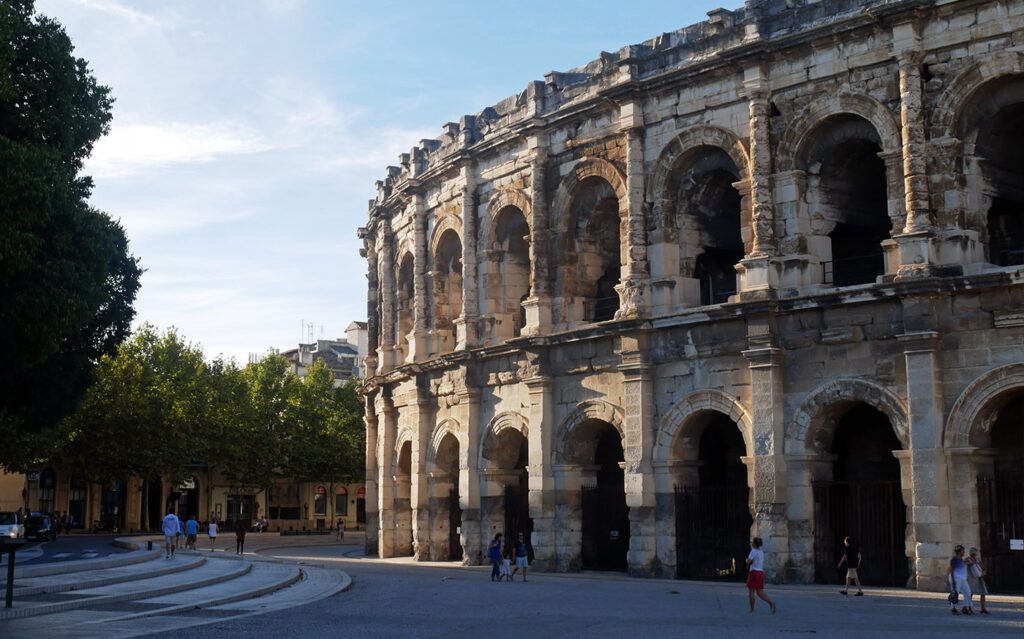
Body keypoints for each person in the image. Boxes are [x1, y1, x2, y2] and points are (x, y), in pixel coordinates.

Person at [746, 537, 776, 614]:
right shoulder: (761, 552)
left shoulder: (753, 551)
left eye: (752, 542)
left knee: (751, 591)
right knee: (760, 592)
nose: (751, 543)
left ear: (754, 544)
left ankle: (752, 609)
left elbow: (749, 561)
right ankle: (771, 602)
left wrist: (747, 561)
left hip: (753, 572)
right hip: (760, 573)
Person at [948, 544, 973, 615]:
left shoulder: (962, 560)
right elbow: (952, 570)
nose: (964, 552)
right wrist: (953, 580)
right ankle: (954, 608)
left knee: (968, 593)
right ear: (958, 552)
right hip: (956, 579)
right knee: (955, 593)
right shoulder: (954, 560)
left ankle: (965, 607)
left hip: (963, 579)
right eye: (962, 551)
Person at [965, 547, 990, 615]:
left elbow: (983, 567)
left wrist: (984, 571)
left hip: (979, 578)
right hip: (971, 578)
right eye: (972, 553)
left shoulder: (978, 559)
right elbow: (964, 565)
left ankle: (983, 608)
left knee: (983, 592)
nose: (974, 555)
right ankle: (969, 608)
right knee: (970, 593)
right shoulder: (967, 559)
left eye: (975, 553)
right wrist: (970, 563)